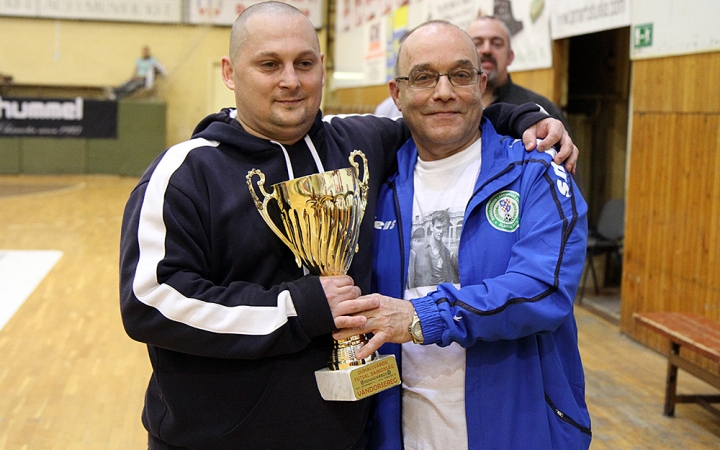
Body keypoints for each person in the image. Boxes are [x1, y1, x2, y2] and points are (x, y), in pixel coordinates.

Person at [119, 3, 578, 449]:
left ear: (322, 67)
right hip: (217, 438)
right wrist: (296, 308)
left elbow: (443, 118)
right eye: (268, 64)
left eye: (304, 63)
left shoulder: (360, 143)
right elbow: (150, 300)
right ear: (229, 72)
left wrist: (525, 117)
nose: (290, 81)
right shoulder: (184, 171)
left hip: (346, 433)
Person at [333, 20, 591, 449]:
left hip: (517, 426)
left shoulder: (537, 173)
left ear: (481, 84)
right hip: (401, 428)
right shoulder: (374, 182)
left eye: (460, 75)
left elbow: (543, 289)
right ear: (396, 94)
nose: (444, 91)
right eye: (423, 77)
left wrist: (421, 317)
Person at [467, 15, 569, 129]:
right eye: (477, 43)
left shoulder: (540, 111)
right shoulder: (451, 106)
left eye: (496, 43)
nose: (486, 50)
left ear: (510, 57)